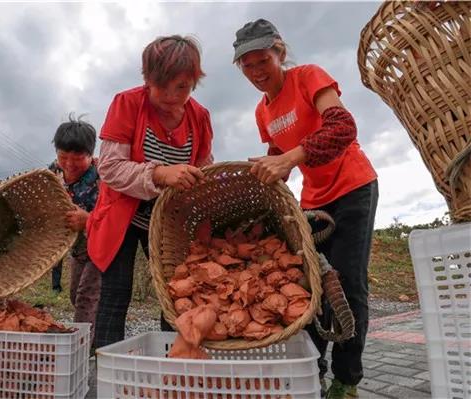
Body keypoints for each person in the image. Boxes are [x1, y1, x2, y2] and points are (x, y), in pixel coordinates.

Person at [232, 19, 379, 399]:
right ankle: (311, 369)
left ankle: (347, 381)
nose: (256, 72)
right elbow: (278, 154)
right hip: (313, 199)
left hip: (352, 187)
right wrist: (263, 169)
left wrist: (290, 159)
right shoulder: (262, 112)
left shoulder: (308, 77)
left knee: (347, 283)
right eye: (247, 66)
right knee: (309, 286)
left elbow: (343, 127)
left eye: (262, 60)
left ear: (278, 52)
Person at [87, 35, 215, 349]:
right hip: (123, 217)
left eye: (182, 87)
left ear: (194, 83)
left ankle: (170, 362)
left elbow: (204, 167)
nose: (172, 96)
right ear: (147, 79)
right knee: (115, 291)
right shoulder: (127, 103)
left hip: (169, 221)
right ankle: (105, 363)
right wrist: (160, 173)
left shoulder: (199, 117)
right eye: (162, 87)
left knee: (173, 293)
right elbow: (111, 167)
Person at [49, 115, 101, 346]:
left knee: (86, 297)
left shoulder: (104, 177)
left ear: (90, 156)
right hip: (77, 249)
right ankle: (92, 333)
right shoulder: (53, 173)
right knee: (74, 294)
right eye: (63, 157)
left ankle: (82, 346)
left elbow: (115, 216)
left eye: (78, 158)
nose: (69, 164)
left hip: (101, 249)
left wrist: (88, 220)